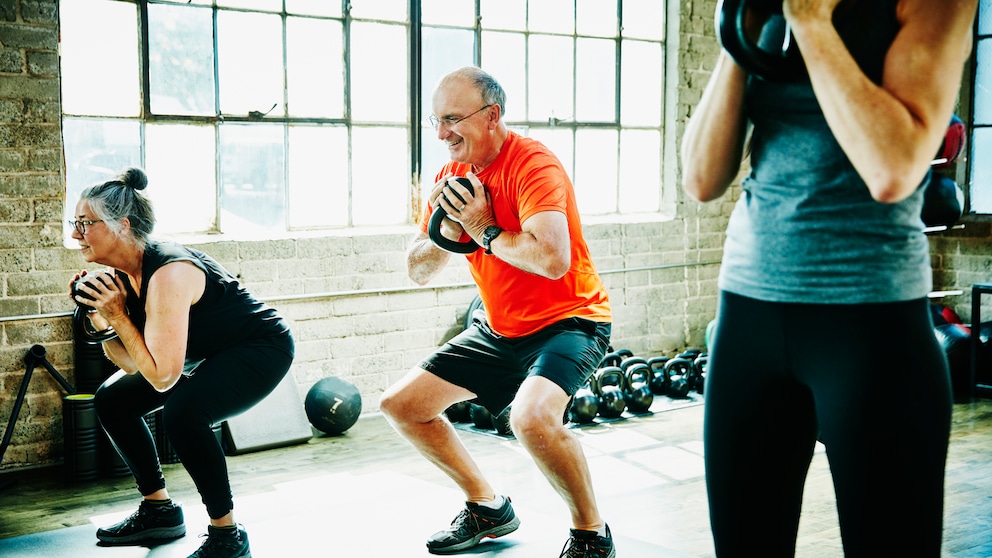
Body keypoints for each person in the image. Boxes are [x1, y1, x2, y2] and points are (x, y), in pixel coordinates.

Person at [680, 1, 977, 556]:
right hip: (749, 314)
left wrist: (811, 22)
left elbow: (893, 169)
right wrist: (740, 32)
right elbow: (701, 178)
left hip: (871, 324)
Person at [379, 66, 616, 557]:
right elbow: (417, 269)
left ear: (492, 116)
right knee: (403, 406)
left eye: (452, 120)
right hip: (499, 329)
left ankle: (591, 535)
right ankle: (487, 508)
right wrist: (449, 231)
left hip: (570, 322)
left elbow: (553, 261)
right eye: (435, 122)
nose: (442, 134)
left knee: (531, 420)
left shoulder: (532, 166)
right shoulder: (452, 177)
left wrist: (484, 227)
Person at [69, 167, 295, 558]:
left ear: (121, 226)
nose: (75, 234)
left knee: (183, 413)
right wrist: (102, 319)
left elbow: (161, 377)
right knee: (112, 400)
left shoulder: (169, 273)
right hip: (207, 352)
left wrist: (120, 316)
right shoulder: (126, 276)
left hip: (260, 347)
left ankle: (228, 535)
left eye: (83, 223)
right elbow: (133, 363)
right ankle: (160, 511)